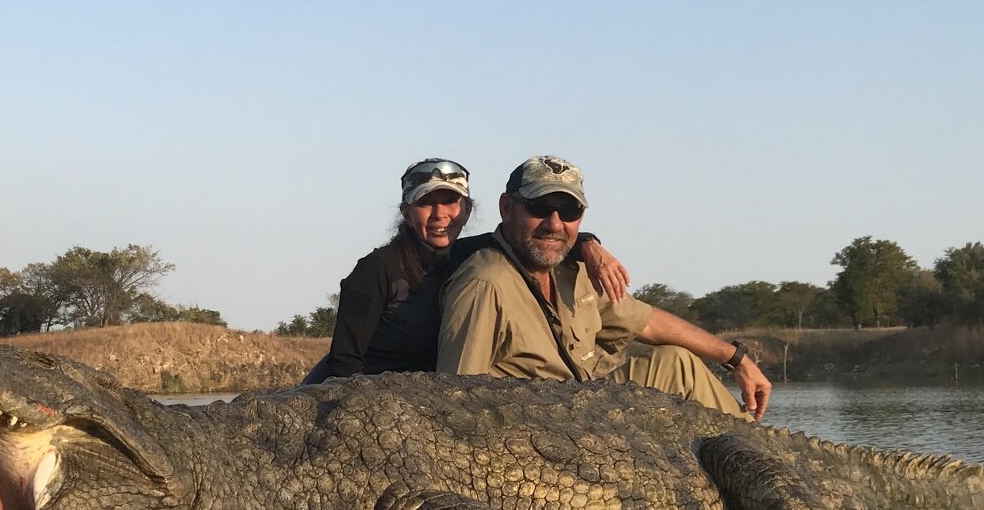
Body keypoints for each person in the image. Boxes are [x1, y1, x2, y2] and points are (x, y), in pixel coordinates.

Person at [436, 155, 772, 420]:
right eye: (539, 208)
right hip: (545, 423)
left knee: (676, 363)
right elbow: (456, 395)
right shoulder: (485, 282)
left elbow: (648, 322)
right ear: (507, 208)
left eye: (568, 210)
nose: (555, 223)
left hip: (595, 402)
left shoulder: (575, 271)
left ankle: (759, 456)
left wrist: (738, 358)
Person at [304, 158, 631, 382]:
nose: (439, 215)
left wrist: (590, 245)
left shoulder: (471, 252)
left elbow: (539, 238)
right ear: (405, 212)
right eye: (425, 203)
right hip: (380, 401)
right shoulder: (376, 271)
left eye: (451, 202)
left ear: (467, 209)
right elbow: (344, 366)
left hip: (428, 397)